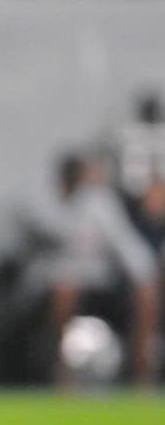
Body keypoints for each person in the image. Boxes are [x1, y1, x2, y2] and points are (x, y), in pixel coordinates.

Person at [41, 152, 160, 386]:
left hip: (101, 283)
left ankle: (142, 372)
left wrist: (145, 278)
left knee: (146, 294)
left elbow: (126, 245)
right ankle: (63, 372)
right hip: (54, 286)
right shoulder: (46, 202)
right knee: (64, 290)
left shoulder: (100, 205)